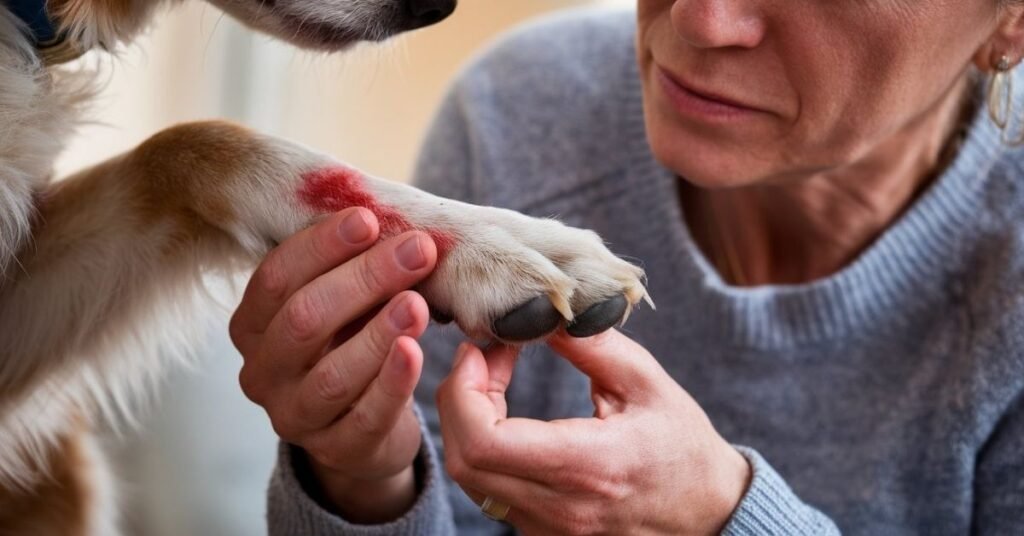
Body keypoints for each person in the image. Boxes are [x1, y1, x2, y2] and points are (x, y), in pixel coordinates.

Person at [229, 1, 1024, 534]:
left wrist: (724, 519)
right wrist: (365, 479)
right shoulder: (519, 115)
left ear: (1009, 24)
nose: (701, 19)